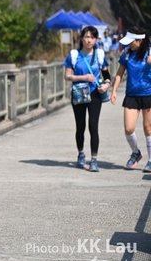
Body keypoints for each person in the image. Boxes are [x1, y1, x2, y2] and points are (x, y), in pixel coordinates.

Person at [64, 26, 111, 172]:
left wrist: (107, 85)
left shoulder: (100, 55)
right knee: (80, 126)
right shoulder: (74, 55)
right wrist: (83, 77)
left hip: (95, 94)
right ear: (81, 38)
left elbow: (107, 75)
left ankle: (94, 160)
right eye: (86, 37)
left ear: (96, 39)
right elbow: (67, 76)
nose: (89, 40)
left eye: (92, 37)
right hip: (78, 94)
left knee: (93, 126)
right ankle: (81, 154)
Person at [110, 27, 151, 171]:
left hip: (148, 94)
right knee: (128, 128)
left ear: (140, 40)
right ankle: (136, 152)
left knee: (148, 128)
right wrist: (114, 91)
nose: (129, 44)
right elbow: (119, 73)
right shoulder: (127, 53)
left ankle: (150, 160)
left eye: (131, 42)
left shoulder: (150, 52)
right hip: (131, 95)